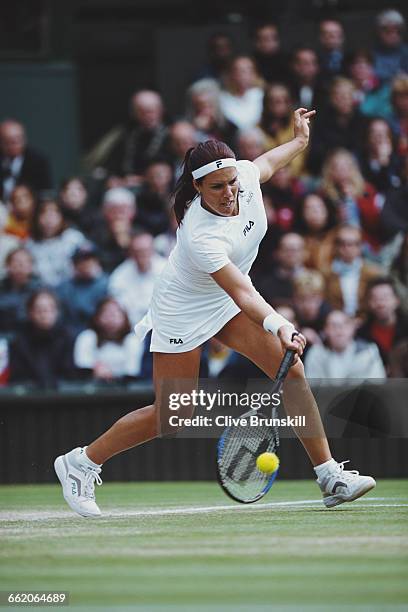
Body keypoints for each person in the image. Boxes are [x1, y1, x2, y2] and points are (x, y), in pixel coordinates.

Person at [54, 108, 376, 518]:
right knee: (173, 416)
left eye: (233, 183)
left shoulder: (243, 179)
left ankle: (330, 476)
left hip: (223, 302)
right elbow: (243, 292)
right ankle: (81, 462)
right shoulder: (200, 235)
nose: (229, 193)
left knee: (290, 369)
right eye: (218, 187)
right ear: (198, 186)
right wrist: (280, 323)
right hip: (183, 310)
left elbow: (264, 164)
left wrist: (299, 141)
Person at [8, 289, 75, 388]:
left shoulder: (68, 337)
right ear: (30, 312)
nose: (44, 314)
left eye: (50, 309)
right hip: (28, 396)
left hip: (61, 396)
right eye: (39, 310)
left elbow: (70, 375)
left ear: (57, 312)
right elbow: (17, 377)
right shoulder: (18, 341)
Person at [73, 297, 145, 382]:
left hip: (125, 391)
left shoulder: (132, 340)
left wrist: (111, 375)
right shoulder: (87, 337)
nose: (110, 319)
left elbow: (132, 373)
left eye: (115, 314)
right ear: (97, 317)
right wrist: (95, 371)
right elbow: (82, 368)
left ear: (125, 317)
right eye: (106, 314)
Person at [304, 310, 386, 380]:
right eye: (333, 326)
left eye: (344, 325)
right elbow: (312, 388)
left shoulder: (369, 352)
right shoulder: (316, 353)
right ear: (325, 330)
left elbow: (377, 385)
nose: (339, 330)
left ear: (352, 328)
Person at [108, 230, 166, 326]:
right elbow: (118, 307)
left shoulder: (167, 268)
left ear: (152, 250)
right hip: (131, 328)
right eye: (138, 251)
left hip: (162, 325)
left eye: (146, 250)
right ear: (131, 253)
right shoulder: (119, 276)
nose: (142, 255)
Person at [56, 243, 109, 336]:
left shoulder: (107, 284)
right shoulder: (65, 288)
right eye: (82, 261)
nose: (87, 264)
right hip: (70, 335)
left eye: (90, 260)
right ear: (74, 264)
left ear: (97, 262)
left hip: (100, 336)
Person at [357, 277, 408, 370]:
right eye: (375, 298)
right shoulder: (362, 334)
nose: (380, 303)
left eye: (385, 298)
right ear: (369, 303)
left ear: (397, 301)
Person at [0, 119, 52, 201]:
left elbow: (44, 193)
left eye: (19, 139)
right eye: (9, 141)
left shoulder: (37, 161)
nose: (15, 144)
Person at [0, 247, 41, 334]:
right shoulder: (1, 287)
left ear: (31, 266)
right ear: (7, 266)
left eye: (24, 263)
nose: (20, 266)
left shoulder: (40, 289)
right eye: (16, 262)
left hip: (33, 336)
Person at [219, 56, 264, 130]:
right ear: (231, 74)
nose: (243, 75)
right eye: (238, 71)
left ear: (255, 74)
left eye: (248, 70)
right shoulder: (222, 98)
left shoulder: (262, 96)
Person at [373, 10, 408, 85]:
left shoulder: (406, 52)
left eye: (397, 31)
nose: (393, 35)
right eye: (388, 31)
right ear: (379, 32)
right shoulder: (373, 54)